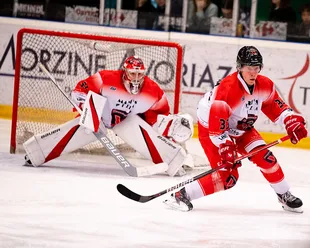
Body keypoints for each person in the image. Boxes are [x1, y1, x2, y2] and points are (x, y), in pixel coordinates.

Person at [164, 46, 307, 212]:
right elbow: (217, 130)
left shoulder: (265, 85)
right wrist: (226, 146)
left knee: (266, 158)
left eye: (256, 68)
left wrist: (291, 121)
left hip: (242, 129)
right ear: (239, 68)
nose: (253, 72)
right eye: (249, 68)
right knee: (228, 177)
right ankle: (181, 195)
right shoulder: (227, 90)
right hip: (212, 130)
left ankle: (284, 194)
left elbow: (279, 109)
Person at [23, 56, 194, 177]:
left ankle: (175, 161)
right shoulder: (106, 78)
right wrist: (87, 111)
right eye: (132, 74)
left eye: (139, 74)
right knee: (82, 128)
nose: (136, 78)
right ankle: (35, 153)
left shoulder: (153, 91)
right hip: (99, 115)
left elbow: (157, 117)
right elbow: (80, 90)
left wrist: (170, 125)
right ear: (125, 71)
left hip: (126, 121)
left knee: (144, 133)